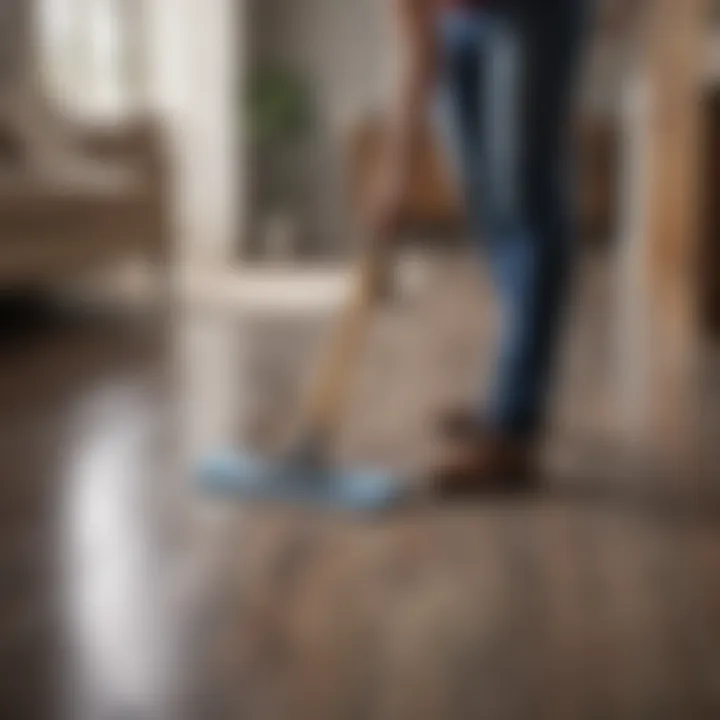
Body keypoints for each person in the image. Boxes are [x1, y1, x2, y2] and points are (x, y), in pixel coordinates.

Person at [369, 0, 595, 494]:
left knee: (524, 192)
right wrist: (396, 168)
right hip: (463, 23)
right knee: (484, 200)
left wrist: (397, 169)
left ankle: (514, 425)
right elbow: (417, 49)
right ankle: (508, 396)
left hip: (534, 13)